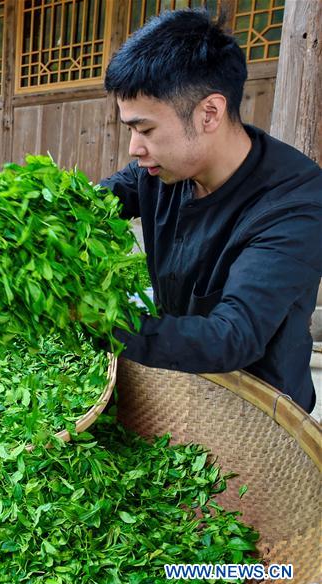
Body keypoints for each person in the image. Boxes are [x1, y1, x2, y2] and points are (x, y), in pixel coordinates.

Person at [99, 9, 322, 413]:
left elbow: (231, 336)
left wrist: (95, 325)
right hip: (180, 382)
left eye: (145, 129)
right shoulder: (160, 170)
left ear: (209, 113)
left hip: (258, 406)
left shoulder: (295, 203)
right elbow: (94, 204)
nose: (134, 148)